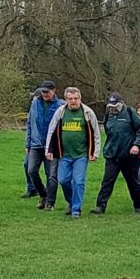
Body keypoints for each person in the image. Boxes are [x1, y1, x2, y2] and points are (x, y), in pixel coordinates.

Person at [45, 87, 100, 219]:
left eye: (76, 98)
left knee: (78, 181)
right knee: (63, 180)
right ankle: (71, 201)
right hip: (64, 154)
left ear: (80, 99)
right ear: (66, 100)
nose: (73, 101)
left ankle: (76, 209)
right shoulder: (61, 112)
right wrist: (49, 149)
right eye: (70, 99)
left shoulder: (87, 113)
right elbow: (51, 130)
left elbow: (96, 133)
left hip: (81, 155)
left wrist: (95, 152)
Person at [91, 93, 140, 215]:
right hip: (112, 154)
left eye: (115, 105)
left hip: (129, 156)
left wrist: (136, 145)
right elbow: (107, 129)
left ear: (121, 104)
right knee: (107, 181)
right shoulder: (108, 114)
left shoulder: (130, 113)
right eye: (110, 106)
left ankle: (138, 204)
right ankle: (100, 206)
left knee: (132, 182)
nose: (113, 108)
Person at [24, 81, 63, 209]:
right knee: (31, 170)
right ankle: (43, 194)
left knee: (51, 174)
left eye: (47, 91)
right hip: (36, 144)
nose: (44, 94)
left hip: (52, 145)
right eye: (43, 91)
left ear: (54, 91)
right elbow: (30, 124)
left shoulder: (61, 105)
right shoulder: (35, 104)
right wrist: (27, 143)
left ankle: (50, 202)